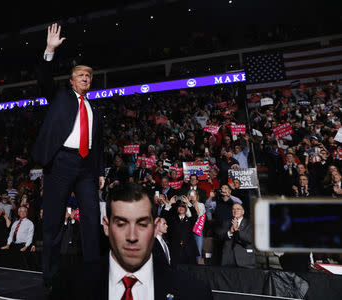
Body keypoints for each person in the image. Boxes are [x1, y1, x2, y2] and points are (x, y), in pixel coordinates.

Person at [52, 183, 212, 299]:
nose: (132, 236)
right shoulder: (69, 288)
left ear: (155, 226)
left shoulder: (194, 293)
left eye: (142, 224)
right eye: (121, 224)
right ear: (106, 226)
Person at [32, 23, 104, 280]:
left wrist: (100, 171)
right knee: (53, 223)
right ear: (72, 80)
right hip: (60, 162)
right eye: (81, 75)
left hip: (86, 167)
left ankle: (93, 275)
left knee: (92, 219)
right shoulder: (60, 96)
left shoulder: (95, 109)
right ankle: (50, 278)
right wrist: (50, 50)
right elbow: (44, 79)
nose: (86, 78)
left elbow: (99, 143)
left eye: (89, 76)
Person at [218, 203, 256, 268]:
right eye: (233, 209)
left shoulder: (250, 224)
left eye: (238, 209)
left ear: (243, 212)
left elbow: (249, 239)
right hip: (228, 260)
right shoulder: (226, 223)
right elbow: (220, 237)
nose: (235, 211)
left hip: (245, 260)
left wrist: (237, 230)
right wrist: (230, 232)